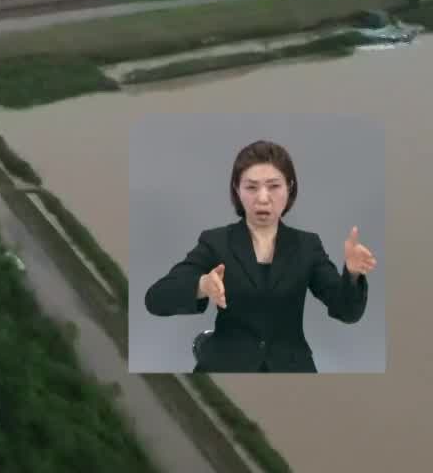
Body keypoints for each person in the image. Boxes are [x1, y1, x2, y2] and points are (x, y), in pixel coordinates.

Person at [143, 140, 375, 373]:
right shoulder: (216, 242)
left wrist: (352, 274)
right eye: (251, 187)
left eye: (273, 186)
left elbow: (347, 311)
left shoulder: (307, 246)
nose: (263, 198)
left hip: (292, 369)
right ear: (237, 189)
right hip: (225, 367)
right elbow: (155, 299)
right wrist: (201, 286)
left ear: (290, 188)